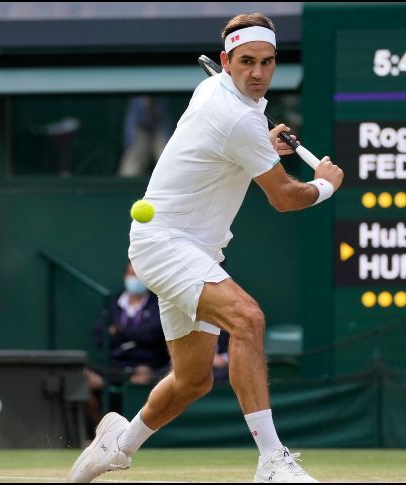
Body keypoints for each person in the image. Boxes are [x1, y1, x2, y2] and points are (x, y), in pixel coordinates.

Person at [69, 13, 343, 484]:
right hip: (164, 243)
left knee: (193, 380)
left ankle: (117, 443)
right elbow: (283, 198)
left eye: (267, 62)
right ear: (225, 61)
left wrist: (264, 140)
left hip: (198, 249)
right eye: (246, 62)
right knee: (248, 318)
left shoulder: (226, 100)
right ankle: (272, 461)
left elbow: (237, 143)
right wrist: (324, 186)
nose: (257, 72)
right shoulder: (237, 116)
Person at [86, 263, 169, 428]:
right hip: (115, 366)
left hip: (149, 366)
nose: (135, 279)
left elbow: (153, 334)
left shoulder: (158, 304)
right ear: (125, 276)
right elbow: (100, 337)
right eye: (131, 274)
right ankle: (100, 432)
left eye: (139, 275)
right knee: (84, 378)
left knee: (149, 378)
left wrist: (119, 330)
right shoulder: (112, 303)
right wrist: (135, 333)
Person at [117, 95, 173, 177]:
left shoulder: (163, 99)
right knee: (131, 167)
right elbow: (131, 127)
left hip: (159, 129)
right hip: (140, 131)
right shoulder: (135, 99)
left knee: (167, 163)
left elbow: (166, 129)